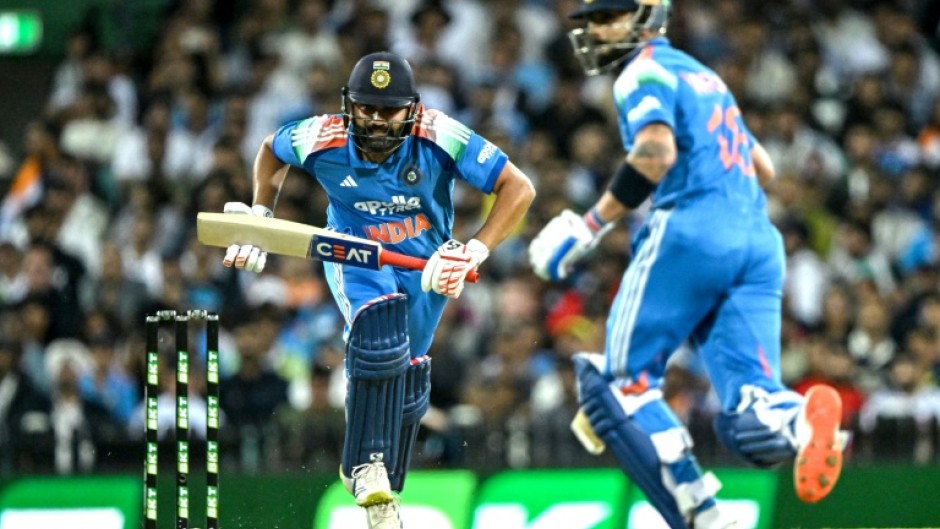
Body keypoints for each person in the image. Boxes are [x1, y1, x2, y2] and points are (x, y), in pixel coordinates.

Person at [528, 1, 845, 528]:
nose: (596, 31)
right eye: (592, 21)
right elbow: (761, 166)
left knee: (619, 383)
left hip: (693, 231)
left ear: (648, 15)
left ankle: (701, 512)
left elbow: (655, 154)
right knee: (751, 407)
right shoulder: (704, 75)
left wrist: (587, 226)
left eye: (609, 17)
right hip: (758, 240)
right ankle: (803, 426)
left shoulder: (640, 73)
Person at [223, 51, 535, 528]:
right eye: (365, 108)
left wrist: (472, 250)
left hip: (425, 266)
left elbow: (518, 188)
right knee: (379, 325)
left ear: (411, 109)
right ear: (349, 105)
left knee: (409, 379)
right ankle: (362, 464)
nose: (374, 120)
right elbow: (270, 150)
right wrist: (261, 214)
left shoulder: (439, 134)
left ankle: (386, 488)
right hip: (353, 256)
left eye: (387, 110)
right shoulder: (321, 135)